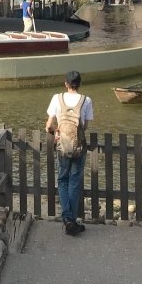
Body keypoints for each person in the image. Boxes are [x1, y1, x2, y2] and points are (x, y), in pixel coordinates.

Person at [45, 71, 92, 236]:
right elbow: (85, 127)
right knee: (74, 182)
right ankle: (71, 220)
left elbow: (48, 126)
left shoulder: (56, 98)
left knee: (62, 180)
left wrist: (56, 131)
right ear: (79, 84)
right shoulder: (86, 100)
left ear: (66, 84)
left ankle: (68, 218)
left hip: (62, 147)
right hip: (79, 148)